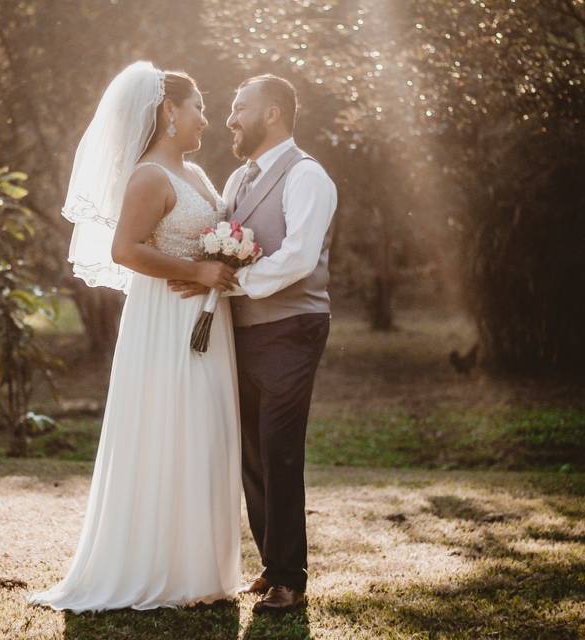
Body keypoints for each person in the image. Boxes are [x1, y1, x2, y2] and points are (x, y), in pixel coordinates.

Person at [26, 61, 242, 612]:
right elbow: (124, 249)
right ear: (170, 111)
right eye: (198, 108)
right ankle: (159, 569)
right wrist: (198, 272)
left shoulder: (194, 175)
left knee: (205, 431)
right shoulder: (149, 175)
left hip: (205, 319)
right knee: (170, 427)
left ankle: (201, 569)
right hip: (166, 321)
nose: (206, 120)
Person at [170, 74, 338, 613]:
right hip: (241, 330)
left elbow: (297, 258)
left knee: (279, 448)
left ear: (272, 114)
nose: (229, 118)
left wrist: (227, 281)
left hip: (293, 326)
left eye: (239, 107)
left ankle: (291, 577)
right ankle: (272, 566)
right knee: (251, 451)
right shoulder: (239, 180)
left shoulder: (308, 176)